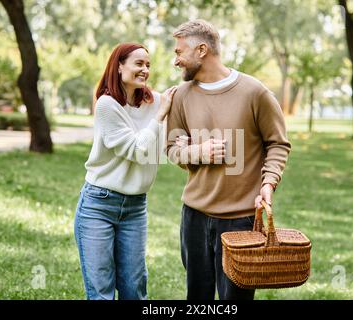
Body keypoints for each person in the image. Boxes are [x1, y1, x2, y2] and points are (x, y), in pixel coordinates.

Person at [166, 20, 291, 300]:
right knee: (197, 297)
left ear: (201, 50)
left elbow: (278, 143)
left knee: (236, 300)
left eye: (179, 52)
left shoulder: (254, 92)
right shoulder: (181, 96)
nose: (175, 61)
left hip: (240, 219)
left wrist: (268, 184)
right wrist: (197, 153)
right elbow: (172, 148)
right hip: (194, 217)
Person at [74, 43, 177, 300]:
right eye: (139, 64)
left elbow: (168, 140)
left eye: (148, 65)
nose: (145, 70)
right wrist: (161, 115)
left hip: (135, 207)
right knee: (101, 292)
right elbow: (137, 150)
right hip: (99, 205)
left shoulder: (153, 101)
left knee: (135, 290)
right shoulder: (107, 105)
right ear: (119, 66)